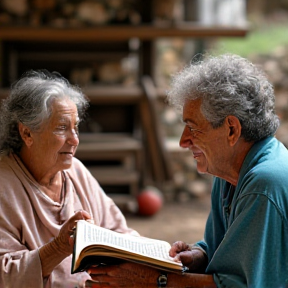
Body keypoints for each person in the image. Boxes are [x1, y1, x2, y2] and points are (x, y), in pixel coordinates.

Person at [87, 53, 288, 288]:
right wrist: (198, 256)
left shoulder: (263, 184)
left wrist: (153, 280)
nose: (183, 141)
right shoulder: (231, 170)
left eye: (193, 127)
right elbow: (221, 250)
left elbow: (240, 285)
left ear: (231, 129)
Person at [0, 70, 139, 288]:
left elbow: (118, 232)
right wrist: (58, 248)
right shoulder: (4, 185)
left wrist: (159, 257)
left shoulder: (76, 171)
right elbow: (5, 274)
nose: (74, 140)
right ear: (27, 134)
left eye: (75, 127)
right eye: (62, 128)